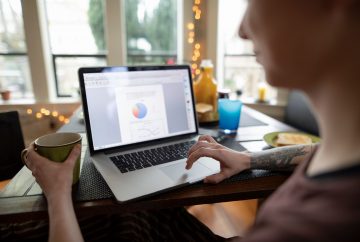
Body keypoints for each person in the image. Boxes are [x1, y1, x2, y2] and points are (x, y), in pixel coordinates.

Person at [12, 0, 360, 241]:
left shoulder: (311, 228)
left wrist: (57, 194)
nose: (241, 29)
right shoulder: (339, 156)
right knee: (131, 210)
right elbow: (313, 152)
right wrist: (247, 159)